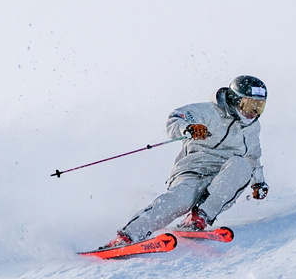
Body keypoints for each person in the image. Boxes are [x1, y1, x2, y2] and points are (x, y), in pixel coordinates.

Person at [105, 75, 270, 248]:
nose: (253, 112)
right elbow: (175, 118)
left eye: (260, 106)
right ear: (235, 99)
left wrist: (258, 182)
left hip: (224, 175)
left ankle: (199, 218)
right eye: (249, 104)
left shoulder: (252, 126)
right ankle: (128, 236)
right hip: (193, 170)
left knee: (242, 165)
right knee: (180, 200)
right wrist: (188, 128)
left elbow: (253, 156)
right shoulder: (209, 111)